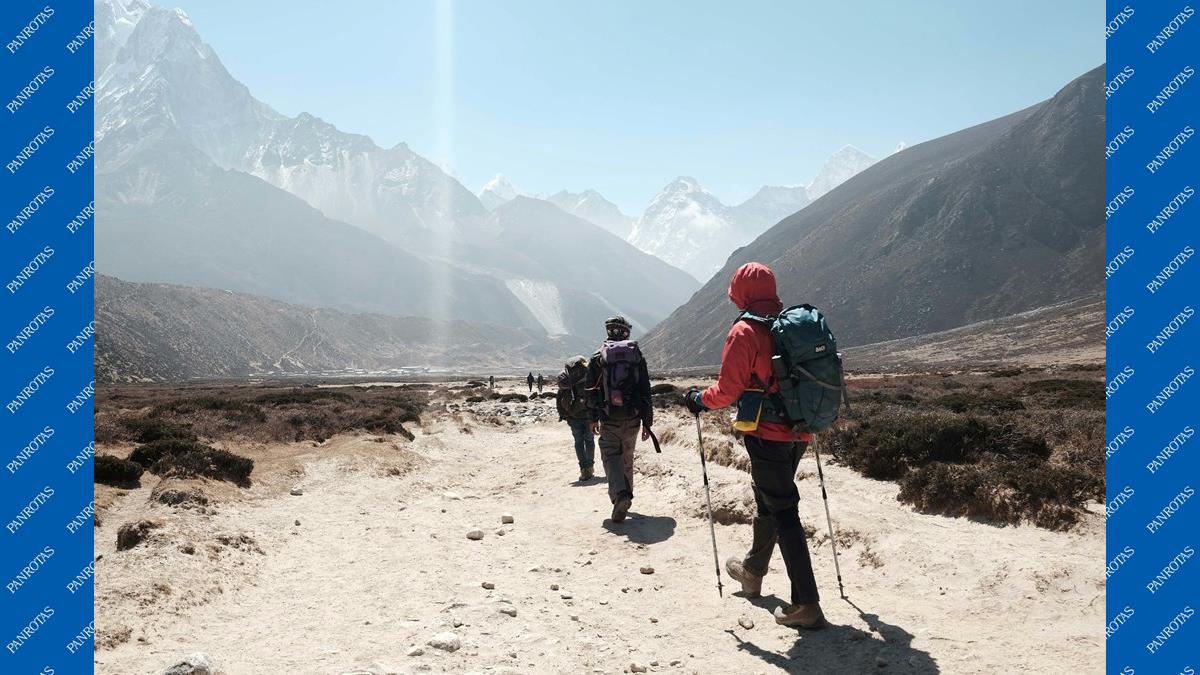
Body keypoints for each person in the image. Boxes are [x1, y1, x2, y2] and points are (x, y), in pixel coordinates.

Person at [684, 262, 824, 629]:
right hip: (799, 430)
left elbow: (727, 390)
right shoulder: (790, 326)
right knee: (770, 500)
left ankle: (806, 604)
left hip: (767, 433)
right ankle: (753, 571)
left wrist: (698, 399)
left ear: (742, 292)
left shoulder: (745, 331)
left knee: (784, 511)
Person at [585, 315, 652, 523]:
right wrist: (647, 422)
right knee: (627, 457)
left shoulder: (598, 357)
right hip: (633, 417)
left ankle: (620, 496)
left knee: (610, 456)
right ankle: (627, 495)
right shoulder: (636, 355)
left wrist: (592, 418)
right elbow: (645, 390)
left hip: (609, 417)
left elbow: (590, 391)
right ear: (627, 332)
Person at [556, 356, 595, 481]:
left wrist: (564, 415)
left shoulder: (567, 380)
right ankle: (590, 467)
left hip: (573, 417)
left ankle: (583, 469)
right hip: (588, 416)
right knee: (589, 441)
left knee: (578, 442)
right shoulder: (588, 379)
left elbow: (559, 398)